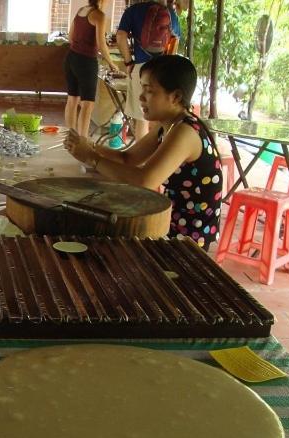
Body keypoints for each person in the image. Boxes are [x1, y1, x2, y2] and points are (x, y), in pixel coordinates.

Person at [63, 55, 223, 250]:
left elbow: (145, 180)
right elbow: (128, 158)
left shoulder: (185, 131)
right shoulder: (169, 125)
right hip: (170, 219)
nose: (141, 97)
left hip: (188, 236)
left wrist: (91, 157)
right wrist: (90, 146)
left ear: (175, 97)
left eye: (149, 91)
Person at [116, 0, 181, 140]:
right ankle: (160, 156)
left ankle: (140, 159)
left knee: (142, 118)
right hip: (163, 69)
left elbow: (120, 36)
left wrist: (128, 62)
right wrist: (167, 64)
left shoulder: (133, 10)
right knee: (162, 118)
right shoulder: (171, 14)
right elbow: (175, 40)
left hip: (140, 69)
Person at [63, 0, 119, 137]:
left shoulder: (81, 10)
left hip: (71, 58)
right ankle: (83, 142)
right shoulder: (99, 15)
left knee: (72, 100)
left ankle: (71, 137)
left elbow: (70, 37)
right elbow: (101, 45)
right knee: (87, 104)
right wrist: (112, 64)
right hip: (86, 62)